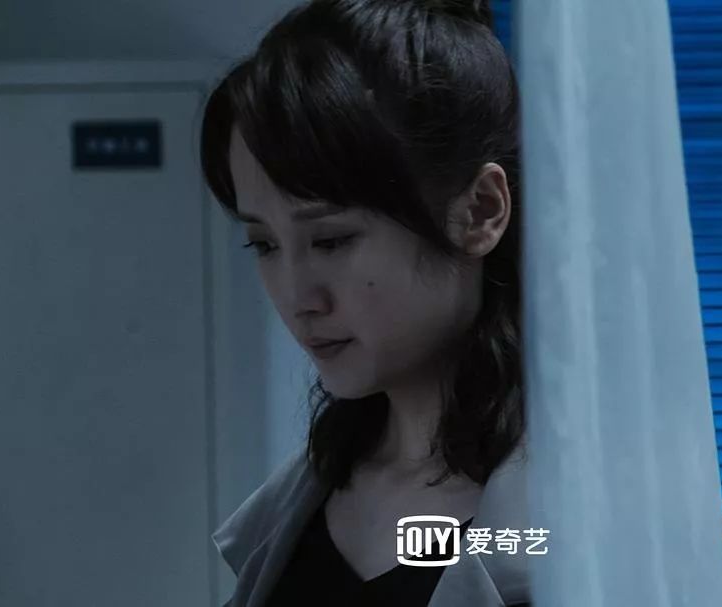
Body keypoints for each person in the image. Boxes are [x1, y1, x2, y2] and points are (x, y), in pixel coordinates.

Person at [199, 0, 531, 605]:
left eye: (331, 240)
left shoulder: (573, 510)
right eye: (264, 244)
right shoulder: (300, 505)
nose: (297, 297)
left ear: (480, 211)